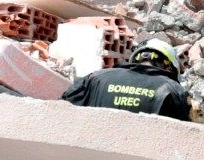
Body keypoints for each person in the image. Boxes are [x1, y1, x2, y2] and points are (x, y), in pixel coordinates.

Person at [61, 39, 190, 120]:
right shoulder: (174, 90)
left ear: (135, 59)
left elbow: (62, 110)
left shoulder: (96, 78)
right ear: (170, 67)